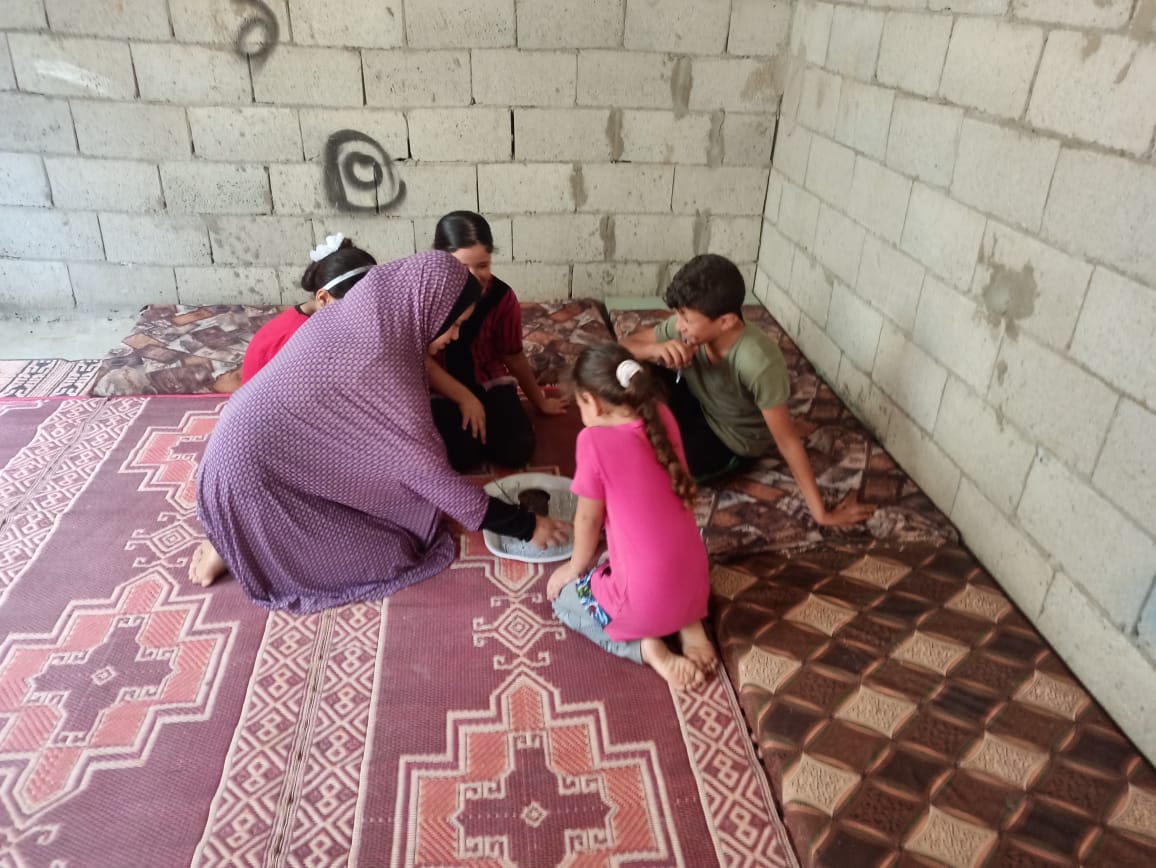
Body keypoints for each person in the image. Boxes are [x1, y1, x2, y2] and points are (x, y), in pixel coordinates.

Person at [188, 251, 569, 613]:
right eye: (453, 325)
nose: (454, 337)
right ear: (427, 309)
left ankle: (232, 537)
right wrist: (526, 525)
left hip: (246, 455)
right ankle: (237, 544)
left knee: (399, 497)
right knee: (393, 551)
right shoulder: (381, 363)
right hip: (251, 480)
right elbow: (430, 477)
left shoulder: (366, 312)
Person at [621, 253, 875, 528]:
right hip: (698, 402)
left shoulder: (758, 361)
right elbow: (623, 346)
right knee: (631, 369)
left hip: (728, 439)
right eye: (678, 314)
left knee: (661, 470)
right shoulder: (686, 329)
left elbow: (787, 441)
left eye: (686, 318)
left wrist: (822, 514)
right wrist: (654, 349)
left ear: (726, 321)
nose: (679, 324)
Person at [545, 343, 716, 690]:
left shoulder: (592, 441)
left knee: (563, 601)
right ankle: (689, 624)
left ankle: (648, 648)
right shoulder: (662, 415)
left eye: (578, 403)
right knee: (628, 555)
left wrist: (574, 568)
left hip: (644, 599)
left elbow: (588, 521)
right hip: (695, 579)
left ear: (591, 401)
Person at [428, 210, 567, 472]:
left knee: (516, 449)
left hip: (487, 382)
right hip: (440, 388)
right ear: (439, 258)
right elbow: (422, 362)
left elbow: (513, 355)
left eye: (482, 265)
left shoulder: (501, 298)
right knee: (460, 458)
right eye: (461, 266)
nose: (472, 276)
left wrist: (539, 401)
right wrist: (465, 400)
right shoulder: (426, 296)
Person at [239, 233, 376, 385]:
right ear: (323, 298)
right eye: (356, 307)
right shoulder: (300, 339)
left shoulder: (320, 322)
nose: (366, 313)